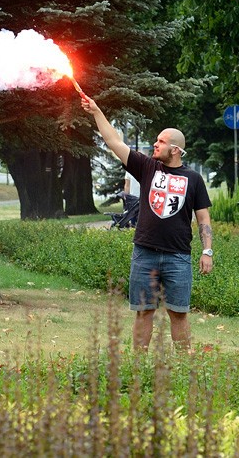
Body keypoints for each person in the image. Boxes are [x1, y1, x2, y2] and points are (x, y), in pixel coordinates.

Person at [80, 95, 213, 351]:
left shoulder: (194, 179)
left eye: (161, 141)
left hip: (178, 256)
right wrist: (96, 111)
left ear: (175, 149)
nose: (155, 144)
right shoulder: (147, 167)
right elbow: (114, 141)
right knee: (143, 312)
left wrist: (207, 251)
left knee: (179, 314)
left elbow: (203, 218)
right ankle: (138, 366)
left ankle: (184, 366)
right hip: (144, 253)